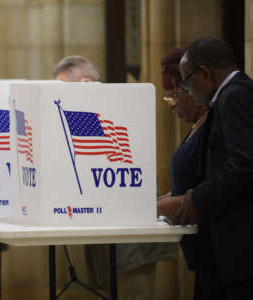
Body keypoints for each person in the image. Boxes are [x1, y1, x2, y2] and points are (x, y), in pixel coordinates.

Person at [53, 55, 178, 300]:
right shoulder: (94, 112)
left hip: (130, 243)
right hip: (109, 241)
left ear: (85, 83)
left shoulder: (113, 113)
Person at [158, 37, 253, 299]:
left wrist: (192, 201)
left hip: (247, 251)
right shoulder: (243, 91)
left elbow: (245, 165)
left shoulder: (234, 95)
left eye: (186, 82)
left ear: (204, 73)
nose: (187, 90)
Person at [158, 48, 228, 300]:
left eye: (176, 93)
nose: (172, 103)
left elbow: (208, 187)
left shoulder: (212, 126)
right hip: (201, 253)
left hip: (218, 249)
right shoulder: (195, 126)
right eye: (168, 96)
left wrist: (155, 208)